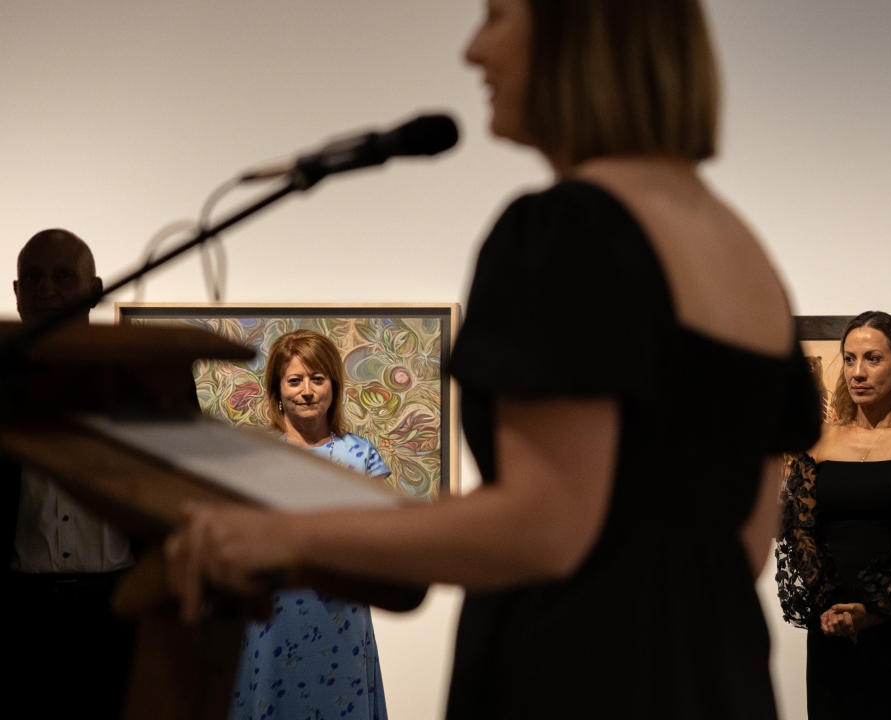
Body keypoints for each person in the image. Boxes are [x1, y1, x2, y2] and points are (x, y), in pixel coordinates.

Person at [162, 0, 822, 717]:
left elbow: (544, 526)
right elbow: (748, 541)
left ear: (582, 32)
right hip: (718, 680)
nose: (473, 50)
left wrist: (278, 533)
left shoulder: (567, 228)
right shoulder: (746, 256)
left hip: (577, 681)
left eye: (499, 15)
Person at [776, 311, 891, 720]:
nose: (857, 372)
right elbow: (799, 532)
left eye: (873, 359)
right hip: (832, 625)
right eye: (850, 358)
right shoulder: (818, 440)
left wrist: (872, 612)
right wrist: (833, 608)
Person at [2, 229, 134, 719]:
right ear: (16, 293)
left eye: (62, 276)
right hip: (18, 613)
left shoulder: (138, 373)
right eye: (31, 278)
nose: (46, 290)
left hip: (116, 609)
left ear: (94, 289)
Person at [231, 330, 389, 720]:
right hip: (270, 617)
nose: (306, 391)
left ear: (334, 385)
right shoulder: (254, 455)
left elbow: (380, 537)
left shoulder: (360, 455)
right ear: (277, 389)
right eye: (294, 380)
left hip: (341, 617)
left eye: (317, 379)